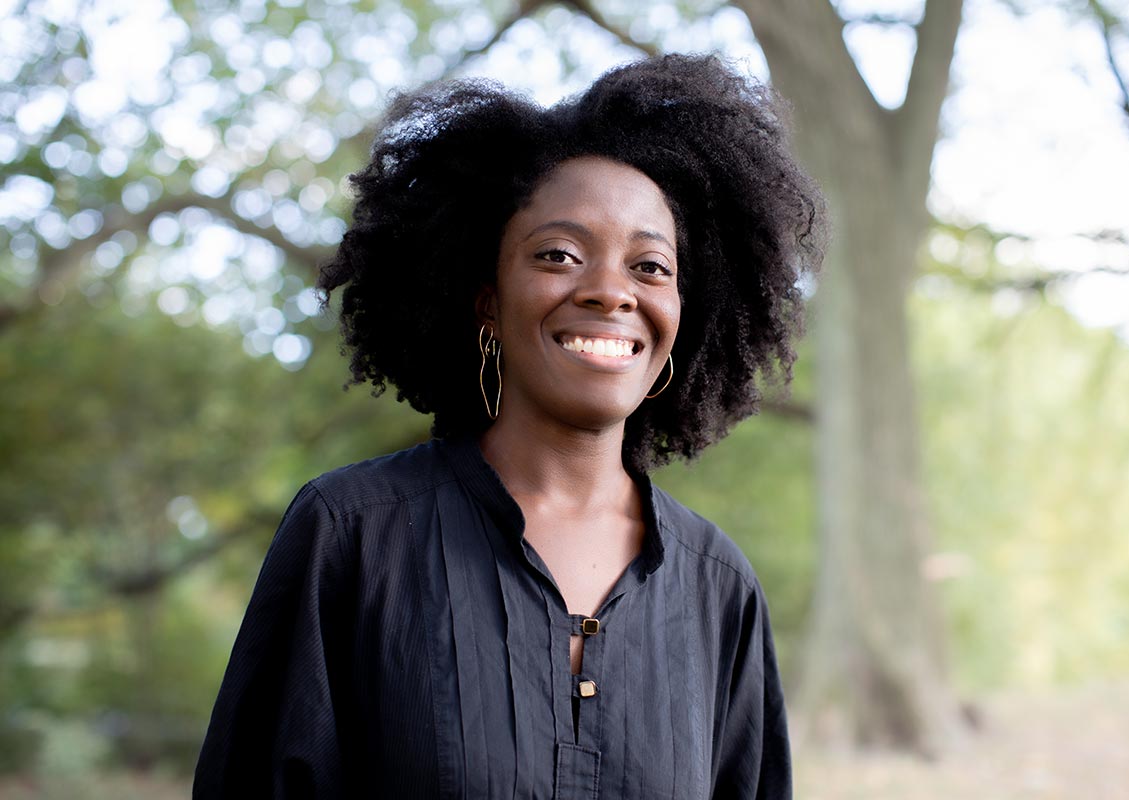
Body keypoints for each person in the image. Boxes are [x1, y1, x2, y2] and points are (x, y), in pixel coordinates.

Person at [194, 53, 826, 799]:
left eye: (650, 267)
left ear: (687, 314)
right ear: (486, 300)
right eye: (559, 255)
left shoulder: (718, 588)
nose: (609, 292)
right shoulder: (352, 537)